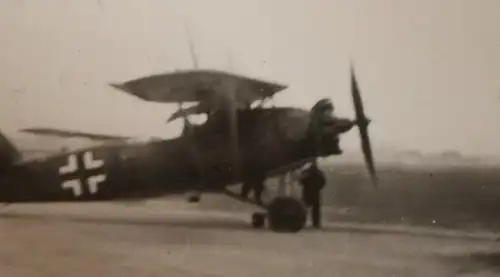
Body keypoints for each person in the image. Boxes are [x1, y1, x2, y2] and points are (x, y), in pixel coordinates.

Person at [299, 161, 326, 229]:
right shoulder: (319, 172)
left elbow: (301, 181)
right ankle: (316, 224)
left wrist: (305, 185)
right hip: (315, 192)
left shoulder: (306, 172)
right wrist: (318, 188)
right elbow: (323, 182)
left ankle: (302, 222)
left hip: (307, 192)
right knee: (315, 209)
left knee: (304, 208)